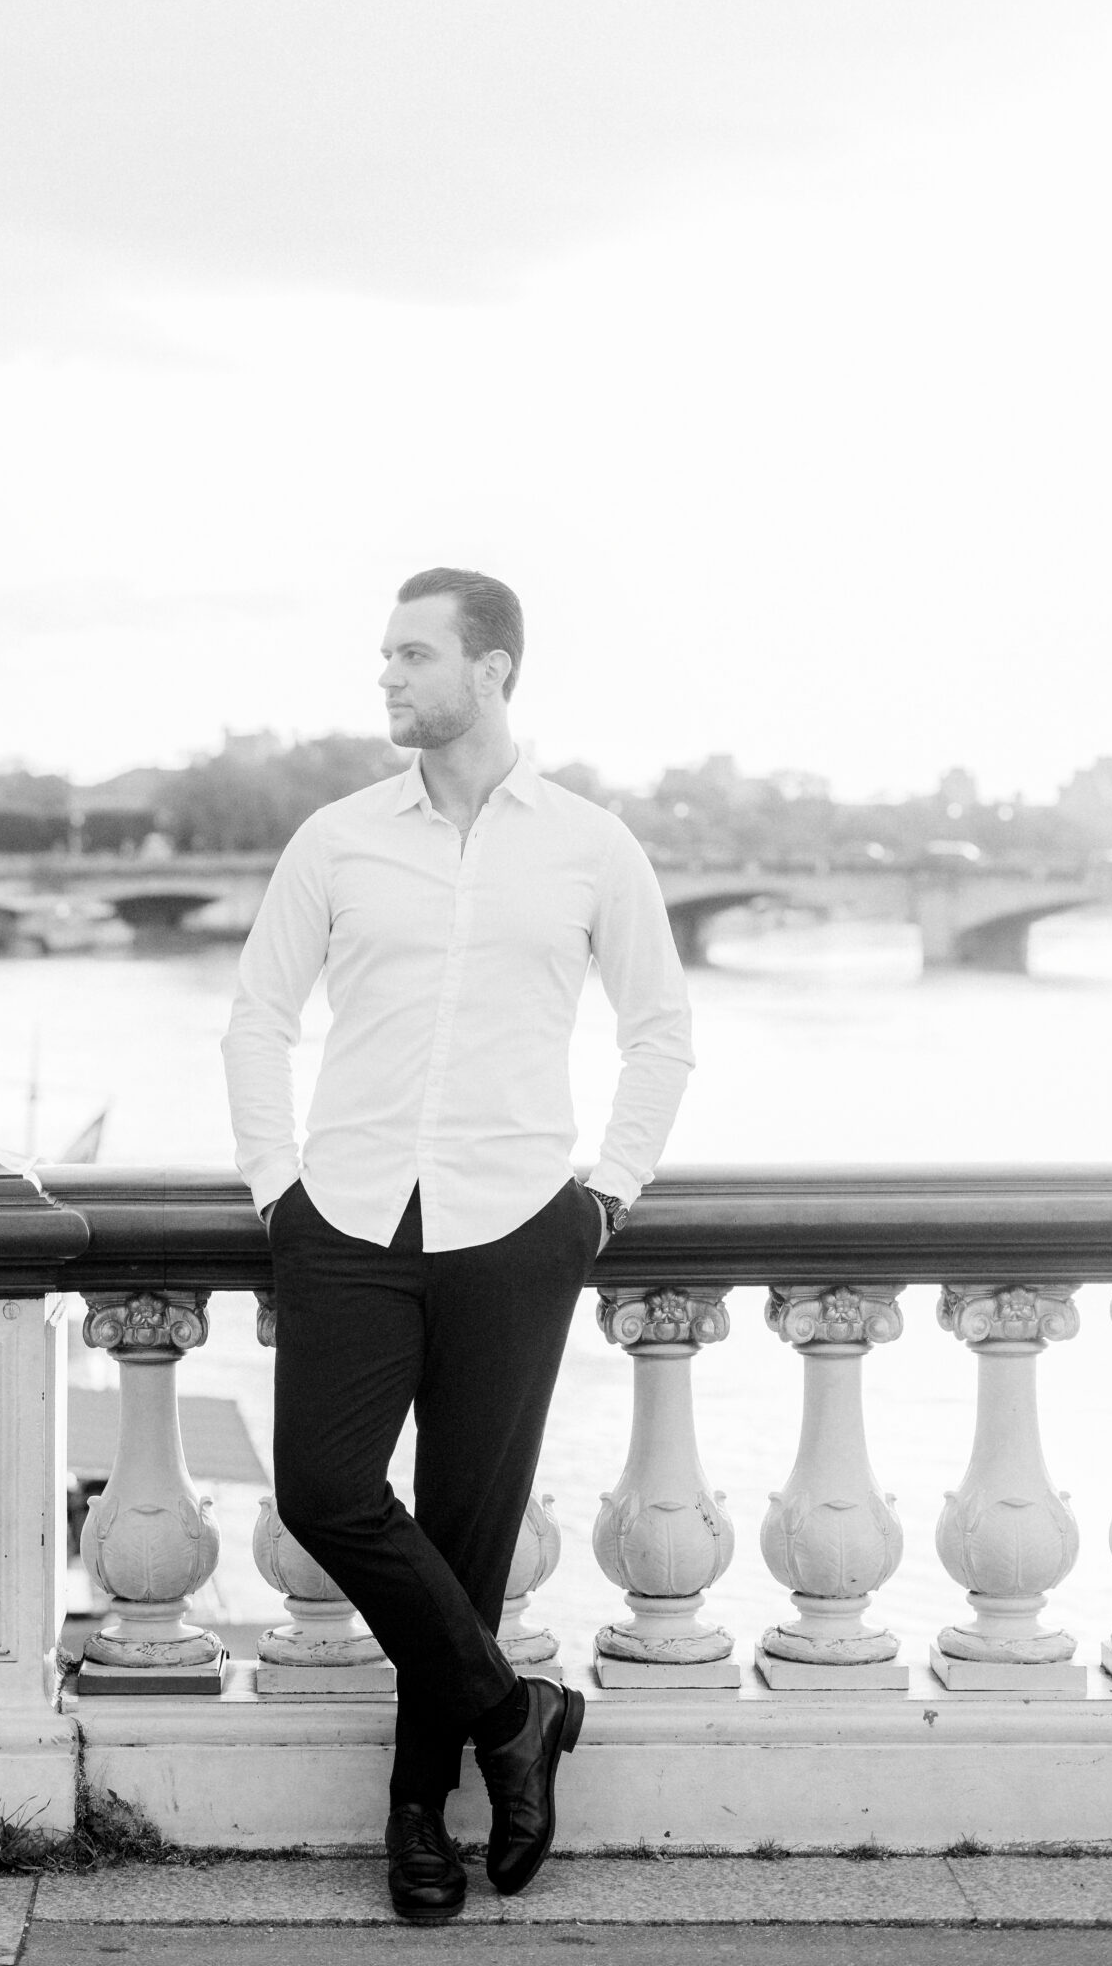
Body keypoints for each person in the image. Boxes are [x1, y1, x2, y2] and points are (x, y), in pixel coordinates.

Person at [222, 567, 693, 1925]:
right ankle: (517, 1714)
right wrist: (275, 1185)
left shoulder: (593, 847)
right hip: (352, 1217)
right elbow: (259, 1015)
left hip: (513, 1226)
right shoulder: (336, 839)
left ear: (491, 670)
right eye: (383, 653)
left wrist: (604, 1190)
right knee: (323, 1488)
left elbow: (659, 1031)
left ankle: (417, 1818)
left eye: (412, 654)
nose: (386, 675)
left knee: (467, 1536)